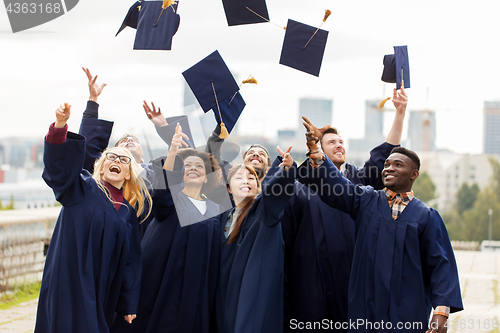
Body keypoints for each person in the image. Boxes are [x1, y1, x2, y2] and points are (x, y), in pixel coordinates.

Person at [280, 82, 408, 332]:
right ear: (316, 150)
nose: (339, 145)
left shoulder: (358, 180)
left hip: (352, 277)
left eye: (341, 141)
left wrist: (400, 113)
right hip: (312, 280)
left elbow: (385, 154)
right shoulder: (302, 185)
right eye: (331, 142)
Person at [297, 141, 463, 332]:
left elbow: (441, 265)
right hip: (365, 310)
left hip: (407, 313)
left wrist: (441, 311)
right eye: (386, 165)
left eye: (398, 165)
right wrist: (318, 154)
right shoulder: (365, 201)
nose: (389, 168)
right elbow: (339, 186)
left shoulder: (426, 217)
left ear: (414, 174)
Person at [35, 103, 152, 333]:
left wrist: (127, 303)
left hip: (101, 286)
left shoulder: (127, 212)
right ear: (101, 166)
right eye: (111, 157)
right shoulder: (82, 188)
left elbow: (130, 260)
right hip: (70, 278)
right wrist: (60, 126)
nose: (116, 161)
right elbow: (60, 170)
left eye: (124, 160)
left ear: (129, 173)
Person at [111, 123, 223, 333]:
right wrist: (172, 152)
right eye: (188, 166)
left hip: (195, 286)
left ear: (208, 176)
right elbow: (161, 192)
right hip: (162, 278)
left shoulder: (216, 210)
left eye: (199, 167)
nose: (193, 169)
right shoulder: (171, 200)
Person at [217, 145, 297, 333]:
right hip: (225, 298)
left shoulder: (263, 212)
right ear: (228, 188)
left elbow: (276, 193)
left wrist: (287, 170)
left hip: (252, 301)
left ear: (259, 185)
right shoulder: (223, 218)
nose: (246, 181)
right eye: (239, 177)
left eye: (251, 178)